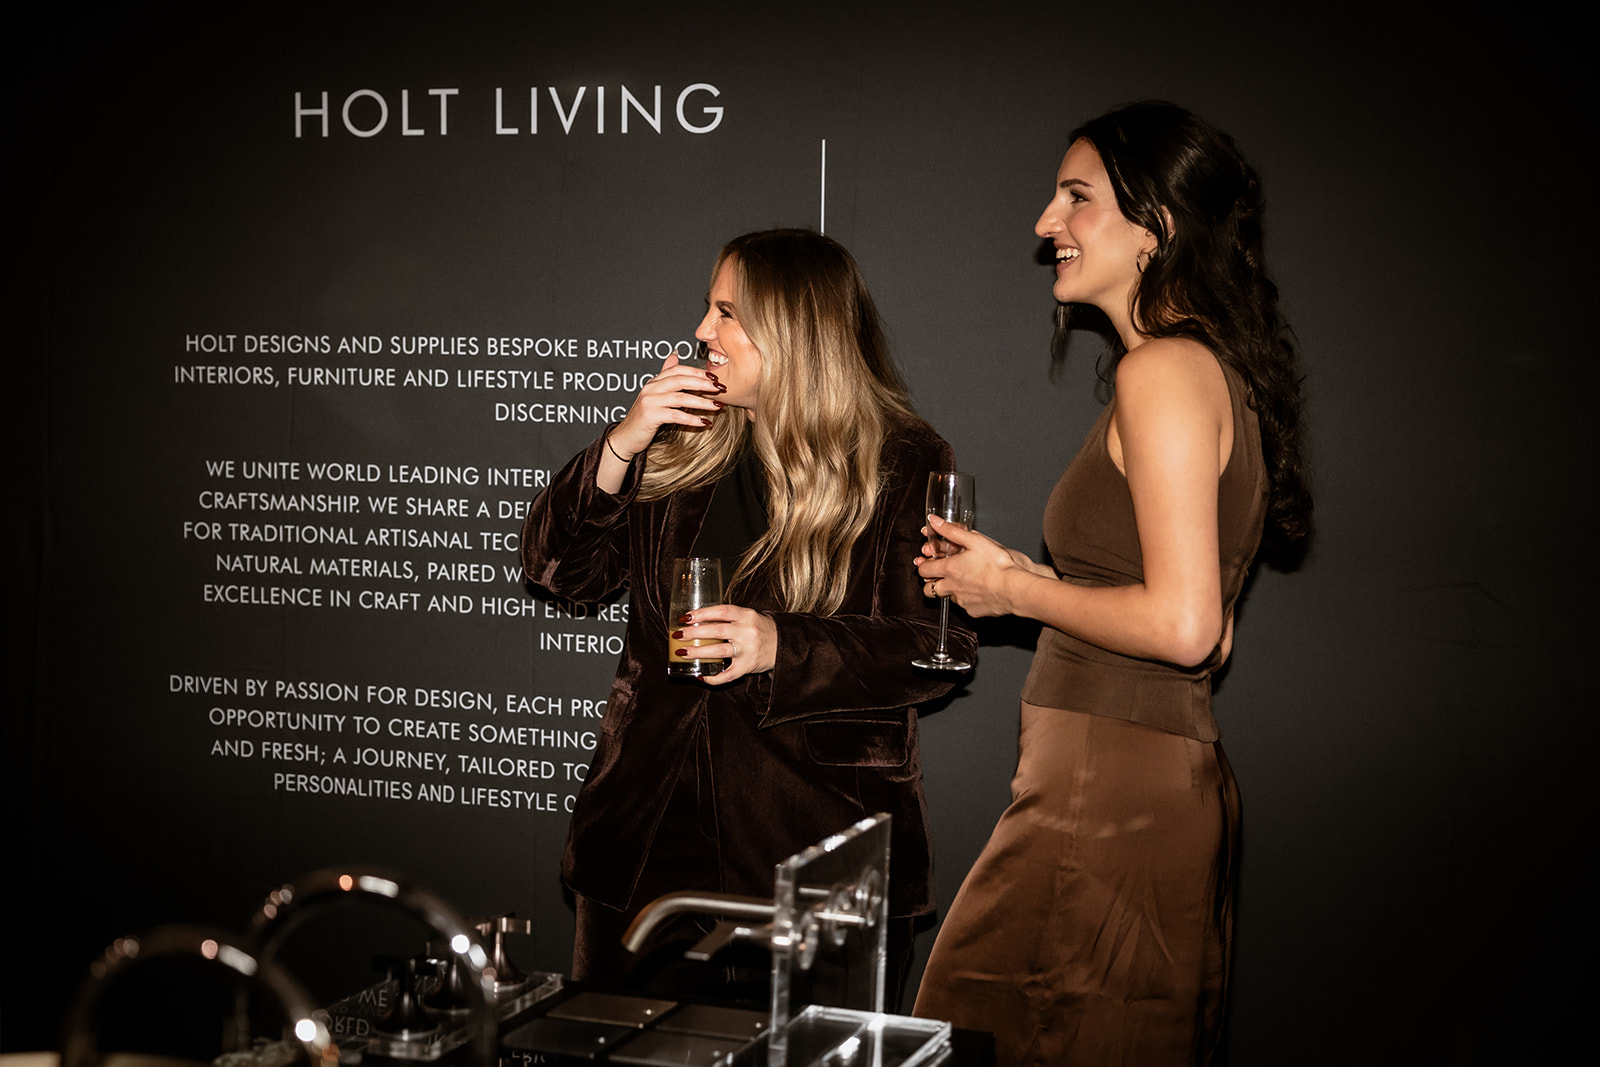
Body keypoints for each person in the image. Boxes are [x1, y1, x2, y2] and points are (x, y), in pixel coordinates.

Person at [911, 101, 1312, 1064]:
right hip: (1131, 776)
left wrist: (1016, 593)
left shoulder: (1164, 371)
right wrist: (1031, 576)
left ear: (1155, 228)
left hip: (1107, 786)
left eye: (1077, 197)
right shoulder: (1202, 369)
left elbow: (1186, 626)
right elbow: (1212, 630)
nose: (1046, 221)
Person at [521, 228, 976, 1004]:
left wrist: (781, 644)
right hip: (646, 848)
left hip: (814, 848)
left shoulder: (900, 456)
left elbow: (938, 646)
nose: (703, 330)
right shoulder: (682, 438)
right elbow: (559, 569)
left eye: (727, 312)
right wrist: (622, 444)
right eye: (708, 308)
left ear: (793, 327)